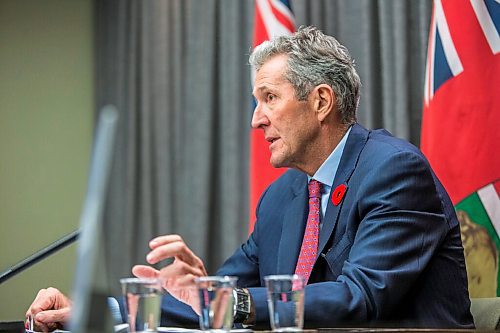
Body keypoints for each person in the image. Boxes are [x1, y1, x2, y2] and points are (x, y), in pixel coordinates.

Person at [26, 26, 474, 331]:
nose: (256, 119)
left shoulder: (394, 170)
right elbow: (223, 295)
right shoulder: (283, 195)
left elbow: (361, 297)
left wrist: (225, 301)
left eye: (269, 98)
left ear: (320, 102)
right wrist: (93, 310)